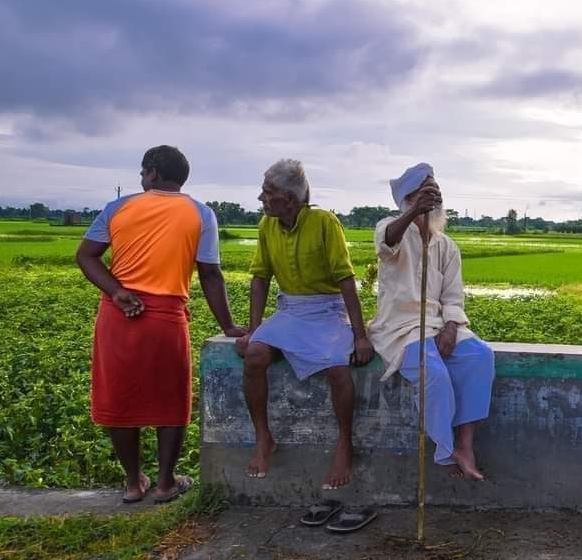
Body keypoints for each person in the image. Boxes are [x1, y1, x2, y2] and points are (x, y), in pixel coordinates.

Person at [76, 145, 245, 503]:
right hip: (167, 318)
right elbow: (211, 275)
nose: (141, 178)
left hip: (118, 314)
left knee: (119, 397)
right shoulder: (201, 213)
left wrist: (118, 291)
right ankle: (166, 482)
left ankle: (135, 482)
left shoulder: (117, 208)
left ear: (153, 172)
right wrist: (228, 326)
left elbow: (86, 256)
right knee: (171, 398)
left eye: (142, 172)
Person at [235, 159, 373, 489]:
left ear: (291, 199)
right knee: (255, 355)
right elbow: (260, 278)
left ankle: (344, 443)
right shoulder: (266, 226)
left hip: (328, 310)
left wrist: (360, 336)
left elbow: (345, 280)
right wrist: (254, 329)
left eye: (268, 193)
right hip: (291, 311)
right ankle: (263, 436)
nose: (261, 198)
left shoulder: (325, 222)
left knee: (338, 368)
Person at [367, 163, 494, 481]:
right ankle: (445, 449)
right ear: (409, 199)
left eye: (436, 190)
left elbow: (453, 297)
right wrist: (414, 213)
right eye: (427, 191)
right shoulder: (391, 227)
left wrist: (451, 326)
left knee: (480, 356)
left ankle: (465, 444)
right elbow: (387, 242)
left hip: (438, 324)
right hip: (401, 327)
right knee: (434, 374)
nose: (435, 196)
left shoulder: (447, 246)